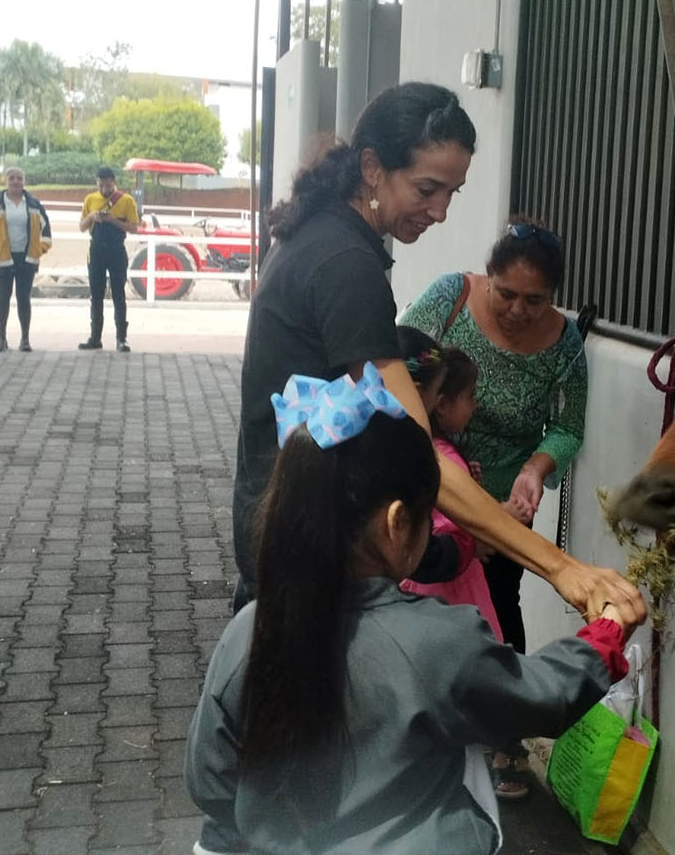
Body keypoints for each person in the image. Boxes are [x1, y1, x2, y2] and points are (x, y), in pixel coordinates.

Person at [231, 81, 641, 628]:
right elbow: (418, 449)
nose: (441, 212)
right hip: (303, 550)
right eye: (427, 189)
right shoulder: (347, 265)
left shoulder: (322, 236)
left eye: (453, 192)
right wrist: (562, 568)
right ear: (372, 167)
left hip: (282, 528)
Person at [186, 365, 637, 854]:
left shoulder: (248, 630)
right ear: (398, 523)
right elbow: (541, 696)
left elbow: (209, 782)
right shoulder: (437, 641)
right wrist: (605, 636)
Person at [400, 218, 587, 799]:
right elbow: (397, 368)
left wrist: (535, 471)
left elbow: (568, 428)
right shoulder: (448, 299)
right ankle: (415, 724)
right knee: (417, 602)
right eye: (506, 293)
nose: (517, 309)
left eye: (536, 300)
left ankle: (505, 739)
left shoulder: (565, 345)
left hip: (503, 508)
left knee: (497, 610)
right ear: (487, 276)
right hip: (425, 484)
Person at [396, 326, 504, 644]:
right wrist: (493, 523)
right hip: (445, 589)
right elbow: (449, 521)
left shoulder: (403, 446)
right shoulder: (434, 457)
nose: (474, 406)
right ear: (423, 394)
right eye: (468, 397)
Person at [0, 167, 52, 352]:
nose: (16, 181)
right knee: (2, 299)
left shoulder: (34, 204)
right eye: (12, 178)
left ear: (24, 181)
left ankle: (25, 340)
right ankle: (2, 339)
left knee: (24, 299)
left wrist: (39, 249)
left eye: (19, 178)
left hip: (26, 259)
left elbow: (46, 230)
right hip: (3, 259)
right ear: (6, 180)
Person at [77, 166, 139, 351]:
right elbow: (81, 226)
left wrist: (112, 219)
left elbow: (133, 228)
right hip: (96, 252)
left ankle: (122, 339)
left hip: (116, 252)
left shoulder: (127, 200)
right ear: (97, 183)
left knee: (119, 295)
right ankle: (95, 338)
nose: (104, 189)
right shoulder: (90, 199)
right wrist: (91, 216)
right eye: (101, 185)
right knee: (96, 296)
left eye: (108, 185)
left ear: (114, 183)